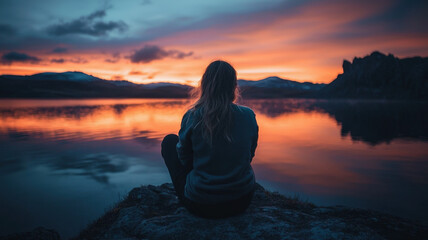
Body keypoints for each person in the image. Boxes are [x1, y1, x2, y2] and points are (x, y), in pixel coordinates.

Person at [161, 60, 259, 218]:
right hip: (242, 200)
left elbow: (184, 158)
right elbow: (249, 154)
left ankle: (200, 184)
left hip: (201, 204)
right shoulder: (248, 115)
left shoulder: (193, 116)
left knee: (169, 142)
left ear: (205, 85)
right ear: (233, 86)